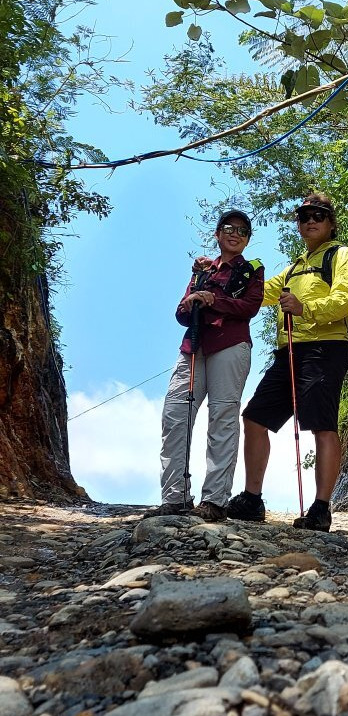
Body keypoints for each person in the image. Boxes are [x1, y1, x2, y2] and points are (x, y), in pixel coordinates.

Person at [227, 193, 348, 532]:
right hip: (288, 352)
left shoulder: (343, 256)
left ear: (331, 223)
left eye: (318, 215)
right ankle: (252, 499)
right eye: (304, 216)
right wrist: (222, 271)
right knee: (255, 417)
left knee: (321, 424)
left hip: (326, 349)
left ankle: (320, 508)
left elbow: (345, 301)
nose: (310, 221)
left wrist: (305, 308)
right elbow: (256, 293)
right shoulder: (294, 268)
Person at [144, 210, 264, 521]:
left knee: (222, 417)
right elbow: (182, 314)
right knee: (175, 414)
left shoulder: (252, 269)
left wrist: (213, 300)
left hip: (231, 344)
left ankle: (214, 501)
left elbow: (249, 307)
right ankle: (175, 497)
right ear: (217, 233)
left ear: (248, 238)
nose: (234, 234)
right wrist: (192, 301)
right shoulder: (202, 270)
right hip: (193, 346)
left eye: (242, 230)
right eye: (228, 228)